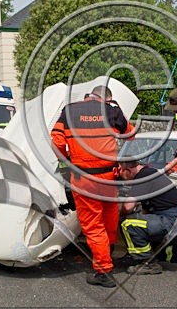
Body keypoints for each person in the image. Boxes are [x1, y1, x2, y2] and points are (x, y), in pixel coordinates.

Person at [52, 85, 130, 288]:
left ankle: (104, 271)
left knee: (93, 224)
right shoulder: (112, 110)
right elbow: (130, 135)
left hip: (85, 179)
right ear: (107, 99)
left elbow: (56, 141)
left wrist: (68, 162)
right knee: (109, 215)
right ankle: (108, 253)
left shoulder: (69, 110)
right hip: (108, 178)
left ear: (90, 96)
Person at [118, 159, 177, 275]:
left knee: (128, 223)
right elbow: (146, 212)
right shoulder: (152, 173)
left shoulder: (143, 177)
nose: (121, 176)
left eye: (121, 173)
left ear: (128, 170)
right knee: (143, 225)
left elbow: (128, 206)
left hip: (172, 222)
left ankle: (148, 263)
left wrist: (120, 214)